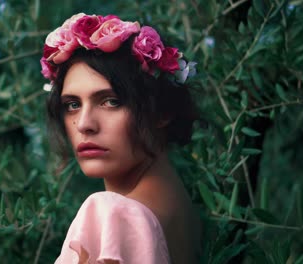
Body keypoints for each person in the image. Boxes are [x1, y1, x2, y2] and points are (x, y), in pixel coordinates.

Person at [41, 13, 201, 263]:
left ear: (162, 111)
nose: (84, 124)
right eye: (72, 104)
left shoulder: (112, 215)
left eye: (111, 101)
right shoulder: (188, 212)